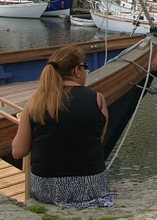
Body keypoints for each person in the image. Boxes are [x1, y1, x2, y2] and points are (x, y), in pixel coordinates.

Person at [11, 46, 114, 207]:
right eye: (84, 67)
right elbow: (96, 141)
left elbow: (18, 151)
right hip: (90, 187)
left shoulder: (35, 100)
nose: (86, 72)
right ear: (76, 71)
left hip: (46, 188)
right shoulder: (97, 99)